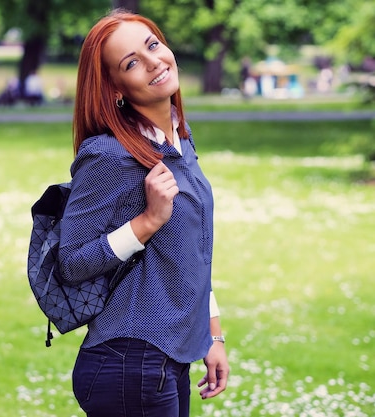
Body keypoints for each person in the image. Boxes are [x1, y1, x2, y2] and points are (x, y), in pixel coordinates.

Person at [57, 9, 229, 417]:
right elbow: (71, 262)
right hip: (128, 362)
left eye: (153, 45)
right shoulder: (108, 155)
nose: (153, 61)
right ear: (115, 87)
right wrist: (146, 222)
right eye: (131, 62)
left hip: (167, 359)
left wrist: (214, 337)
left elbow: (191, 251)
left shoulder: (180, 141)